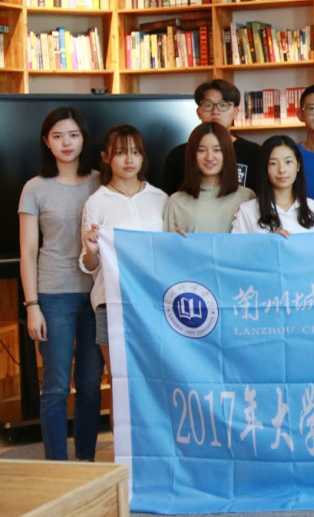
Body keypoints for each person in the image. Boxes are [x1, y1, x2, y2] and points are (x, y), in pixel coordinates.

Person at [18, 107, 102, 461]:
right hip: (53, 295)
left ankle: (86, 462)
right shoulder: (35, 188)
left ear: (83, 139)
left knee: (90, 384)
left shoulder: (101, 182)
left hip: (97, 294)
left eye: (73, 135)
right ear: (47, 142)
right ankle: (57, 467)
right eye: (57, 136)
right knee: (55, 386)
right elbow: (27, 252)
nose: (66, 143)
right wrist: (32, 306)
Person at [80, 125, 168, 347]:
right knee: (116, 369)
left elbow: (168, 253)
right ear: (105, 157)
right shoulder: (96, 202)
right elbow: (90, 266)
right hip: (111, 302)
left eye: (135, 152)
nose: (129, 160)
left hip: (155, 300)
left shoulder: (160, 198)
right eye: (120, 153)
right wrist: (91, 252)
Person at [162, 79, 260, 194]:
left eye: (223, 105)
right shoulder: (178, 155)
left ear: (235, 112)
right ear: (198, 112)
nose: (215, 111)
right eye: (208, 105)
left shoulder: (254, 153)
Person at [163, 123, 255, 233]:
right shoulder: (176, 201)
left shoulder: (247, 197)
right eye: (201, 150)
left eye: (217, 150)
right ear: (192, 155)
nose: (209, 157)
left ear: (227, 153)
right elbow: (166, 242)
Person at [232, 136, 314, 235]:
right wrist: (269, 241)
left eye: (288, 162)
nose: (281, 170)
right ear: (265, 168)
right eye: (273, 163)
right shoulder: (247, 211)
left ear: (298, 166)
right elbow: (237, 245)